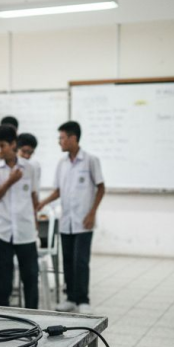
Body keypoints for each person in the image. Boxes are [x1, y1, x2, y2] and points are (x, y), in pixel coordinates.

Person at [37, 121, 105, 314]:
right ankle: (71, 298)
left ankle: (83, 299)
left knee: (81, 261)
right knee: (67, 260)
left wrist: (92, 213)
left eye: (62, 138)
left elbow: (101, 187)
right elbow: (58, 190)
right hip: (66, 221)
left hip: (84, 221)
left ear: (73, 138)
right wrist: (43, 202)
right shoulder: (62, 163)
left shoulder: (91, 160)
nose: (60, 142)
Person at [0, 124, 40, 308]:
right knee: (3, 280)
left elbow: (33, 195)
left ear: (13, 144)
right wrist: (10, 181)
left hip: (25, 230)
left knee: (30, 278)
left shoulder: (29, 167)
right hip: (2, 230)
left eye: (3, 145)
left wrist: (36, 220)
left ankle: (34, 316)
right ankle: (4, 315)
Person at [18, 132, 41, 205]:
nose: (27, 156)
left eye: (30, 152)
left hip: (28, 208)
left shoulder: (35, 165)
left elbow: (35, 189)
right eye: (24, 151)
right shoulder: (10, 165)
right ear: (16, 149)